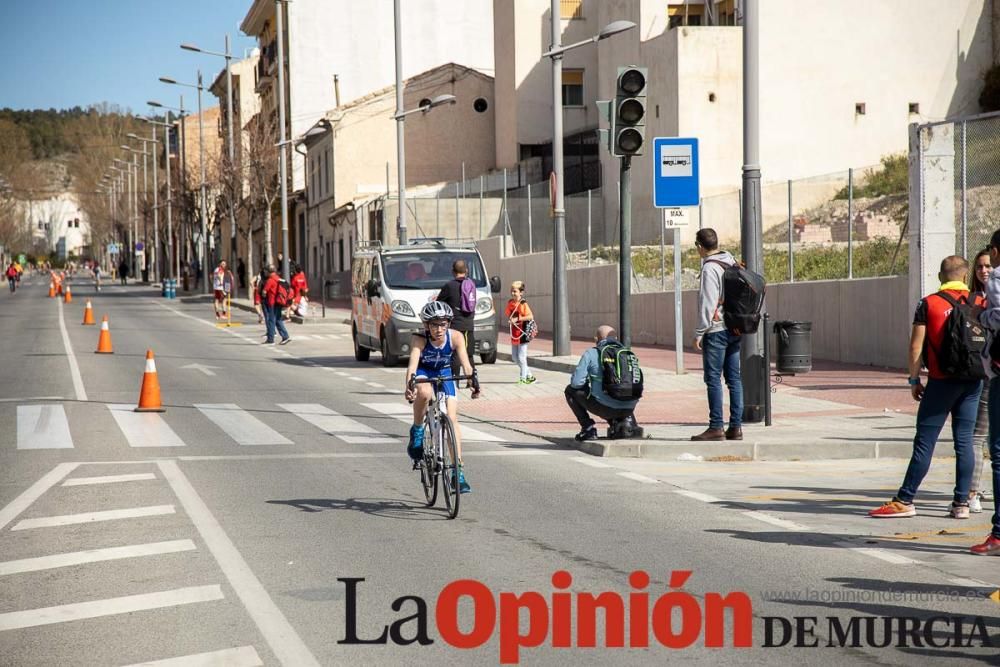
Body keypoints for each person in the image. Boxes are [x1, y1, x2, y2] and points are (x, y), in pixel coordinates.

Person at [869, 255, 983, 521]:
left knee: (925, 441)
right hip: (973, 381)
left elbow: (915, 347)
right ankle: (961, 503)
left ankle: (905, 499)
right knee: (964, 441)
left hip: (941, 382)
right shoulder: (981, 302)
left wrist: (913, 379)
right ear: (966, 276)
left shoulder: (929, 303)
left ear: (941, 277)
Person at [404, 301, 479, 494]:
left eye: (443, 324)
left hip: (445, 372)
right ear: (426, 325)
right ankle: (418, 430)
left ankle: (458, 473)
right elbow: (412, 366)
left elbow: (466, 364)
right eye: (434, 324)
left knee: (452, 419)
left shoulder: (456, 337)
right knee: (425, 392)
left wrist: (472, 381)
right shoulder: (419, 339)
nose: (439, 329)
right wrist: (409, 385)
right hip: (424, 371)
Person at [691, 228, 742, 441]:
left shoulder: (710, 268)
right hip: (734, 327)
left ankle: (716, 427)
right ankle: (736, 427)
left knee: (713, 379)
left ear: (700, 247)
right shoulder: (730, 261)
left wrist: (699, 332)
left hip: (717, 330)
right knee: (734, 379)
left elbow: (708, 302)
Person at [565, 325, 643, 442]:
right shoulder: (627, 353)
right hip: (629, 408)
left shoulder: (592, 353)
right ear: (616, 338)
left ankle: (588, 429)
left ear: (596, 339)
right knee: (616, 393)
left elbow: (576, 383)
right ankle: (623, 424)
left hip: (605, 408)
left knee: (570, 391)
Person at [972, 231, 1000, 555]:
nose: (986, 270)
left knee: (994, 447)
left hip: (996, 374)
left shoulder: (997, 279)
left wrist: (981, 315)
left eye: (988, 262)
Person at [968, 248, 992, 514]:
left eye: (987, 266)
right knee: (978, 437)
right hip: (984, 376)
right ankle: (971, 492)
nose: (984, 271)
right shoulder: (973, 300)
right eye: (979, 267)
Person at [435, 259, 477, 376]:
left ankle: (455, 380)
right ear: (466, 271)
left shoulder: (449, 286)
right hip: (469, 324)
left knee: (455, 354)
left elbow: (439, 303)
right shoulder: (471, 285)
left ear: (453, 272)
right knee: (469, 354)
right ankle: (472, 381)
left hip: (454, 325)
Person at [504, 281, 536, 384]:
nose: (513, 293)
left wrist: (518, 318)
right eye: (512, 291)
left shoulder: (523, 304)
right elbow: (509, 314)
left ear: (521, 292)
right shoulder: (510, 303)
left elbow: (530, 316)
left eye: (515, 291)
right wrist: (511, 319)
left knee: (522, 357)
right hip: (514, 333)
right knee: (514, 357)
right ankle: (529, 375)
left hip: (523, 333)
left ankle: (523, 378)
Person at [263, 265, 291, 345]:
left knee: (271, 320)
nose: (265, 273)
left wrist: (264, 294)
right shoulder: (279, 278)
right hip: (279, 302)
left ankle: (270, 339)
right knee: (278, 319)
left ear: (269, 272)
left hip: (272, 302)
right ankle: (285, 336)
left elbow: (264, 292)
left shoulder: (270, 280)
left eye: (266, 271)